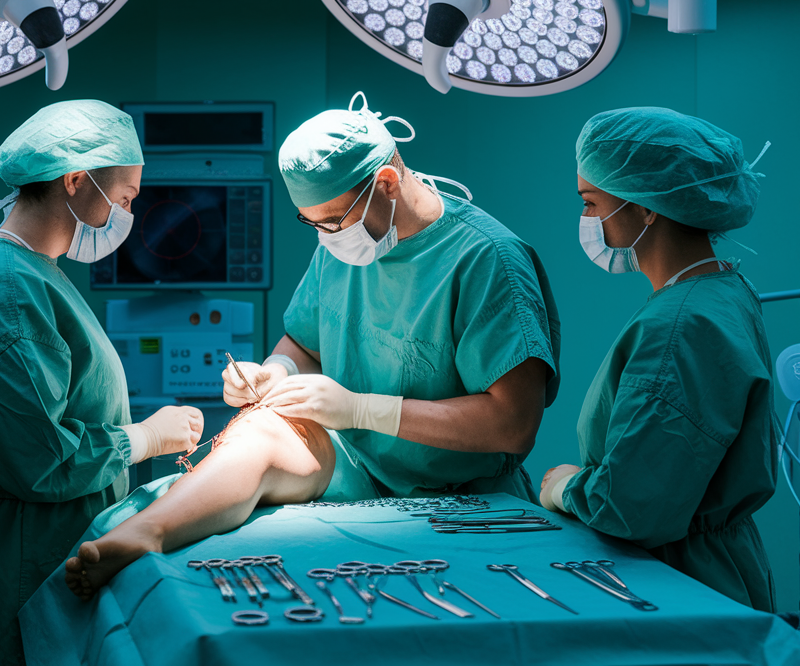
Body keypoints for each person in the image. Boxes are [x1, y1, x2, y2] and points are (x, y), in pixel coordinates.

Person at [66, 92, 560, 596]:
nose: (327, 237)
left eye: (333, 221)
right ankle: (146, 532)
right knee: (260, 428)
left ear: (386, 183)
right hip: (352, 460)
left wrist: (366, 409)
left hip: (459, 493)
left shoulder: (487, 259)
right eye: (313, 223)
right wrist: (276, 370)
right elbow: (304, 341)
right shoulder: (347, 245)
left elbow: (513, 425)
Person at [0, 100, 204, 666]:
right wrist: (145, 438)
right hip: (16, 579)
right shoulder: (5, 288)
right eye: (124, 196)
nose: (129, 211)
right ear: (76, 181)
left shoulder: (34, 274)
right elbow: (41, 459)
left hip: (45, 558)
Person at [538, 107, 777, 612]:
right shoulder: (723, 290)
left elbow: (632, 507)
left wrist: (566, 487)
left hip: (682, 585)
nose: (586, 219)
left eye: (591, 202)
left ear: (646, 207)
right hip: (715, 570)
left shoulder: (680, 324)